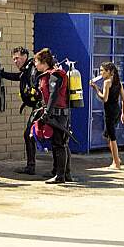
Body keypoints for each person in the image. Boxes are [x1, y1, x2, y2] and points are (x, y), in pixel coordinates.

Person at [0, 46, 42, 175]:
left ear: (25, 56)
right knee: (49, 136)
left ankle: (32, 167)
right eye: (13, 59)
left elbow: (32, 84)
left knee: (29, 134)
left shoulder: (32, 68)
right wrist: (1, 73)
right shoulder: (27, 69)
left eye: (17, 58)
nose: (15, 61)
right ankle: (57, 170)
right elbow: (18, 77)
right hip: (40, 106)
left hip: (42, 107)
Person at [34, 48, 72, 184]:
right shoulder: (49, 75)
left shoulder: (54, 75)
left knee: (59, 144)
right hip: (58, 113)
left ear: (44, 62)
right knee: (62, 143)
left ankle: (60, 176)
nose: (35, 65)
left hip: (57, 115)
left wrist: (47, 113)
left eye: (36, 62)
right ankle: (65, 174)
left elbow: (53, 95)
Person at [89, 62, 124, 169]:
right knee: (108, 135)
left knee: (112, 137)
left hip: (110, 112)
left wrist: (96, 88)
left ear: (109, 72)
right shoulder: (118, 83)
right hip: (117, 110)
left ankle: (116, 163)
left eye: (103, 71)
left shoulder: (107, 82)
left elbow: (104, 98)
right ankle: (116, 158)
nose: (101, 73)